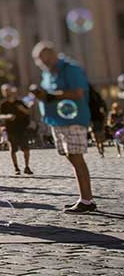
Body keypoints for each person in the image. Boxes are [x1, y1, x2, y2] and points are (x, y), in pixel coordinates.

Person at [31, 41, 96, 213]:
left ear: (53, 54)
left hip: (73, 119)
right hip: (58, 120)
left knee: (76, 157)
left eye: (45, 59)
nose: (43, 63)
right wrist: (41, 95)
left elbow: (77, 92)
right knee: (71, 157)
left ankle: (87, 200)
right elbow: (49, 94)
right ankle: (85, 198)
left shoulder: (70, 68)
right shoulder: (48, 73)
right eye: (40, 61)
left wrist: (50, 96)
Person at [0, 84, 33, 175]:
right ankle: (16, 168)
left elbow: (28, 111)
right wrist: (7, 116)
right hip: (10, 129)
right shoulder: (3, 104)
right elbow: (0, 115)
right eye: (4, 91)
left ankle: (27, 166)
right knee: (13, 149)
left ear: (11, 91)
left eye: (7, 90)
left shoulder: (19, 102)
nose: (6, 92)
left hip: (22, 128)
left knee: (26, 148)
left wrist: (22, 109)